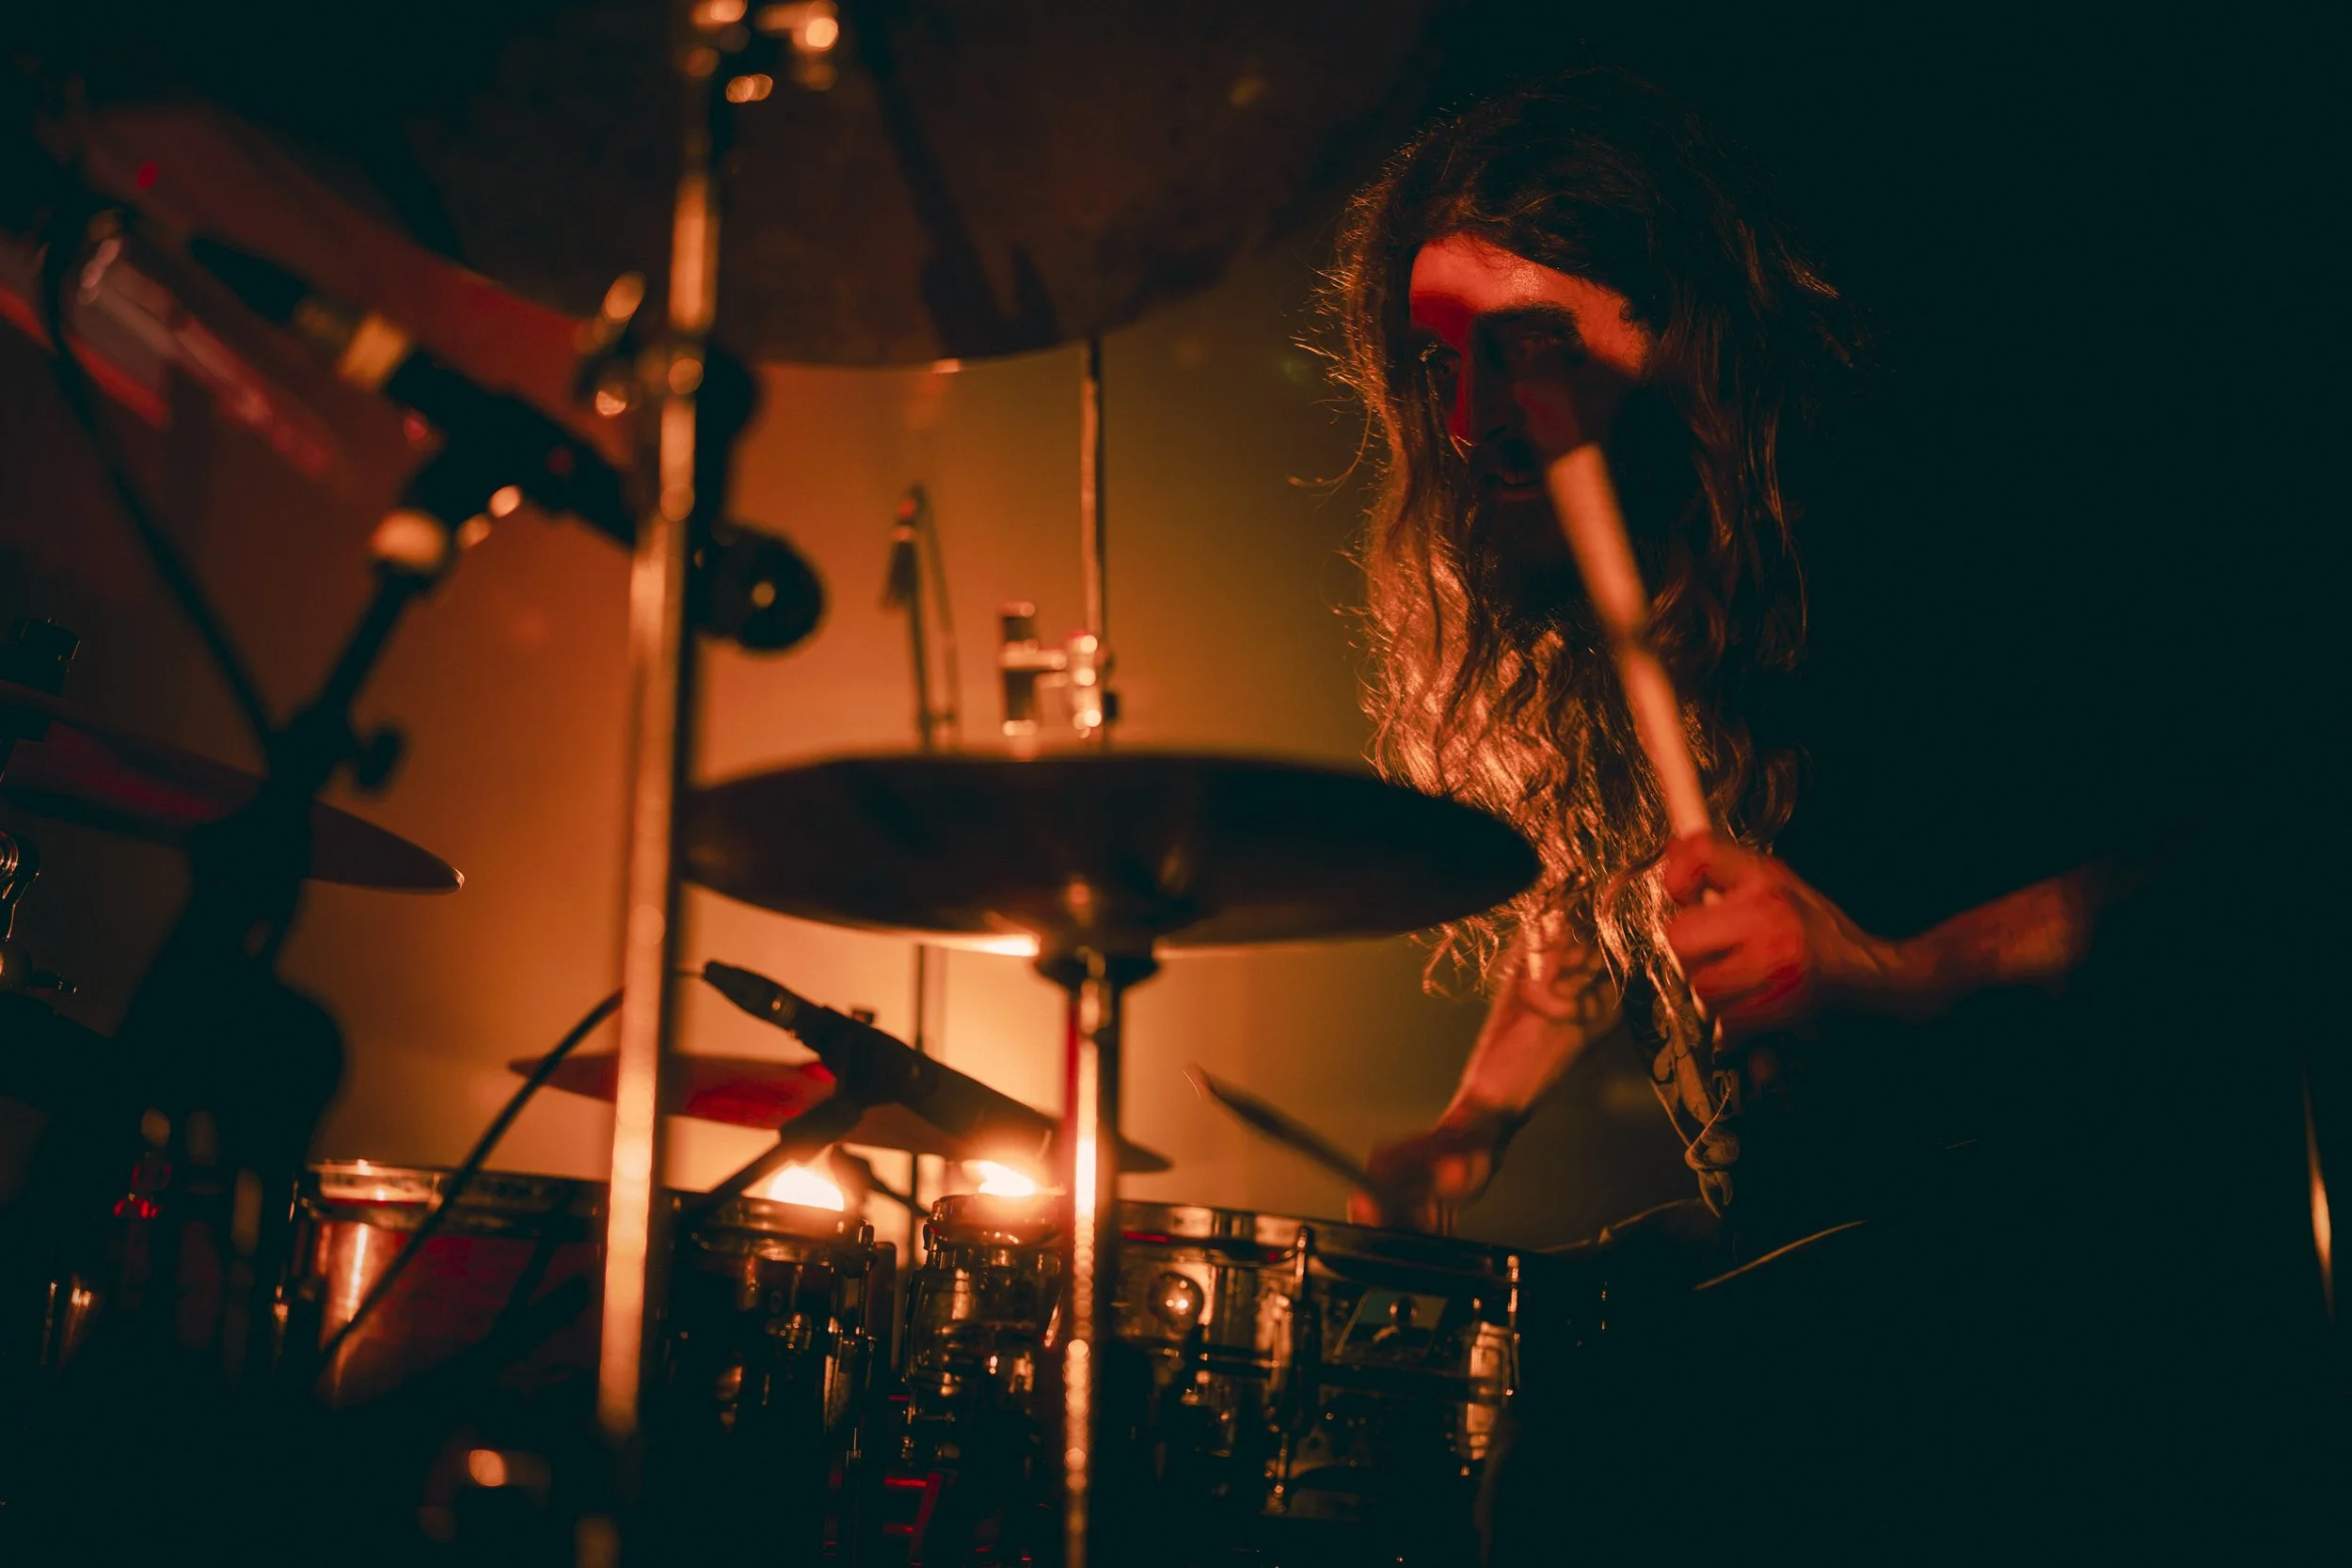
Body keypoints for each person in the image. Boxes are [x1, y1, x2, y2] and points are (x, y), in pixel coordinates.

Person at [1319, 69, 2336, 1560]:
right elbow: (1601, 902)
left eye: (1526, 348)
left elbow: (2250, 850)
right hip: (1810, 1250)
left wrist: (1902, 974)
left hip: (2068, 1287)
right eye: (1436, 361)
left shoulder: (1931, 523)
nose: (1469, 417)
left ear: (1672, 326)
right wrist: (1477, 1116)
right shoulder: (1588, 587)